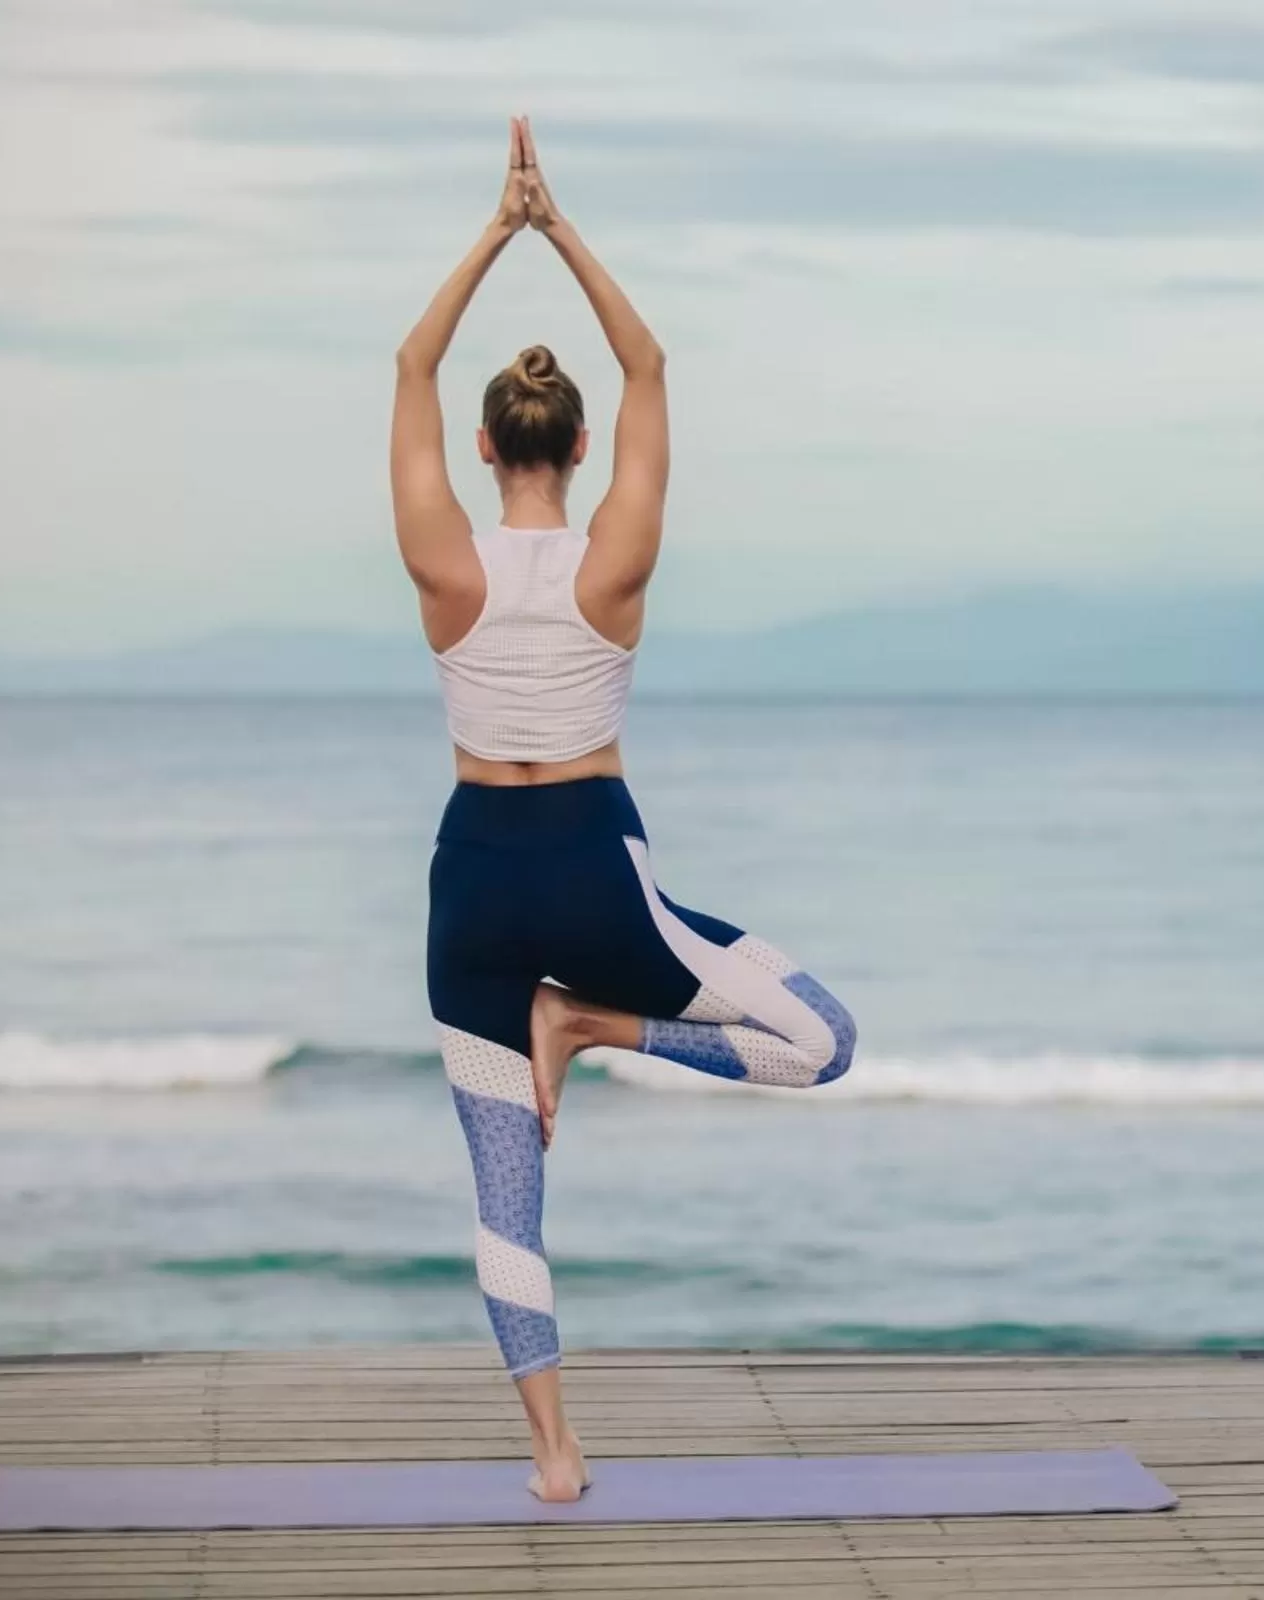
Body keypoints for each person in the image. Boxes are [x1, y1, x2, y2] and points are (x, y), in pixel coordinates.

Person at [391, 117, 857, 1503]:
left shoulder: (443, 564)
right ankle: (591, 1022)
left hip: (472, 877)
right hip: (594, 870)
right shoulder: (616, 565)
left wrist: (494, 230)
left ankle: (552, 1452)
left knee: (503, 1196)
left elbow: (409, 363)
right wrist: (561, 227)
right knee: (821, 1042)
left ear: (484, 449)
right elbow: (651, 362)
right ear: (583, 447)